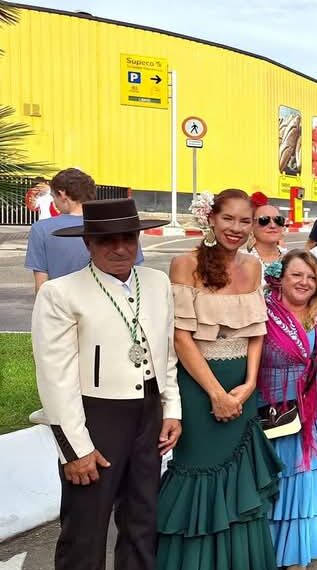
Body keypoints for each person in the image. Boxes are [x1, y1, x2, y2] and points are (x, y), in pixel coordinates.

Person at [32, 198, 178, 570]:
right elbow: (55, 377)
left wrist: (170, 409)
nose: (120, 248)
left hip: (148, 408)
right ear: (88, 244)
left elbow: (167, 351)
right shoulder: (61, 293)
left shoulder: (156, 282)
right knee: (86, 523)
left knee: (143, 517)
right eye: (106, 240)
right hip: (96, 415)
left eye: (128, 238)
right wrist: (75, 448)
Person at [158, 189, 283, 568]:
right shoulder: (184, 264)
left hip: (242, 390)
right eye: (228, 218)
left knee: (239, 478)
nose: (237, 228)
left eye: (246, 221)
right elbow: (181, 338)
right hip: (199, 390)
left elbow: (257, 333)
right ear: (210, 218)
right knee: (198, 472)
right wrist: (216, 393)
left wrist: (247, 386)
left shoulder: (253, 266)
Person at [257, 250, 317, 569]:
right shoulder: (264, 311)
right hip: (272, 414)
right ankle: (265, 552)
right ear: (280, 278)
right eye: (296, 275)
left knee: (302, 487)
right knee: (270, 487)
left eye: (311, 276)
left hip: (309, 415)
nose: (304, 282)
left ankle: (295, 557)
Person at [25, 168, 143, 292]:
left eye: (54, 196)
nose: (54, 202)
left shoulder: (41, 229)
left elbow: (41, 285)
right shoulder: (115, 224)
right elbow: (135, 275)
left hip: (63, 305)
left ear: (63, 194)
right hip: (111, 303)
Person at [247, 196, 289, 270]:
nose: (273, 225)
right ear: (251, 226)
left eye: (278, 220)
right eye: (264, 220)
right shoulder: (241, 260)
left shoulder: (291, 258)